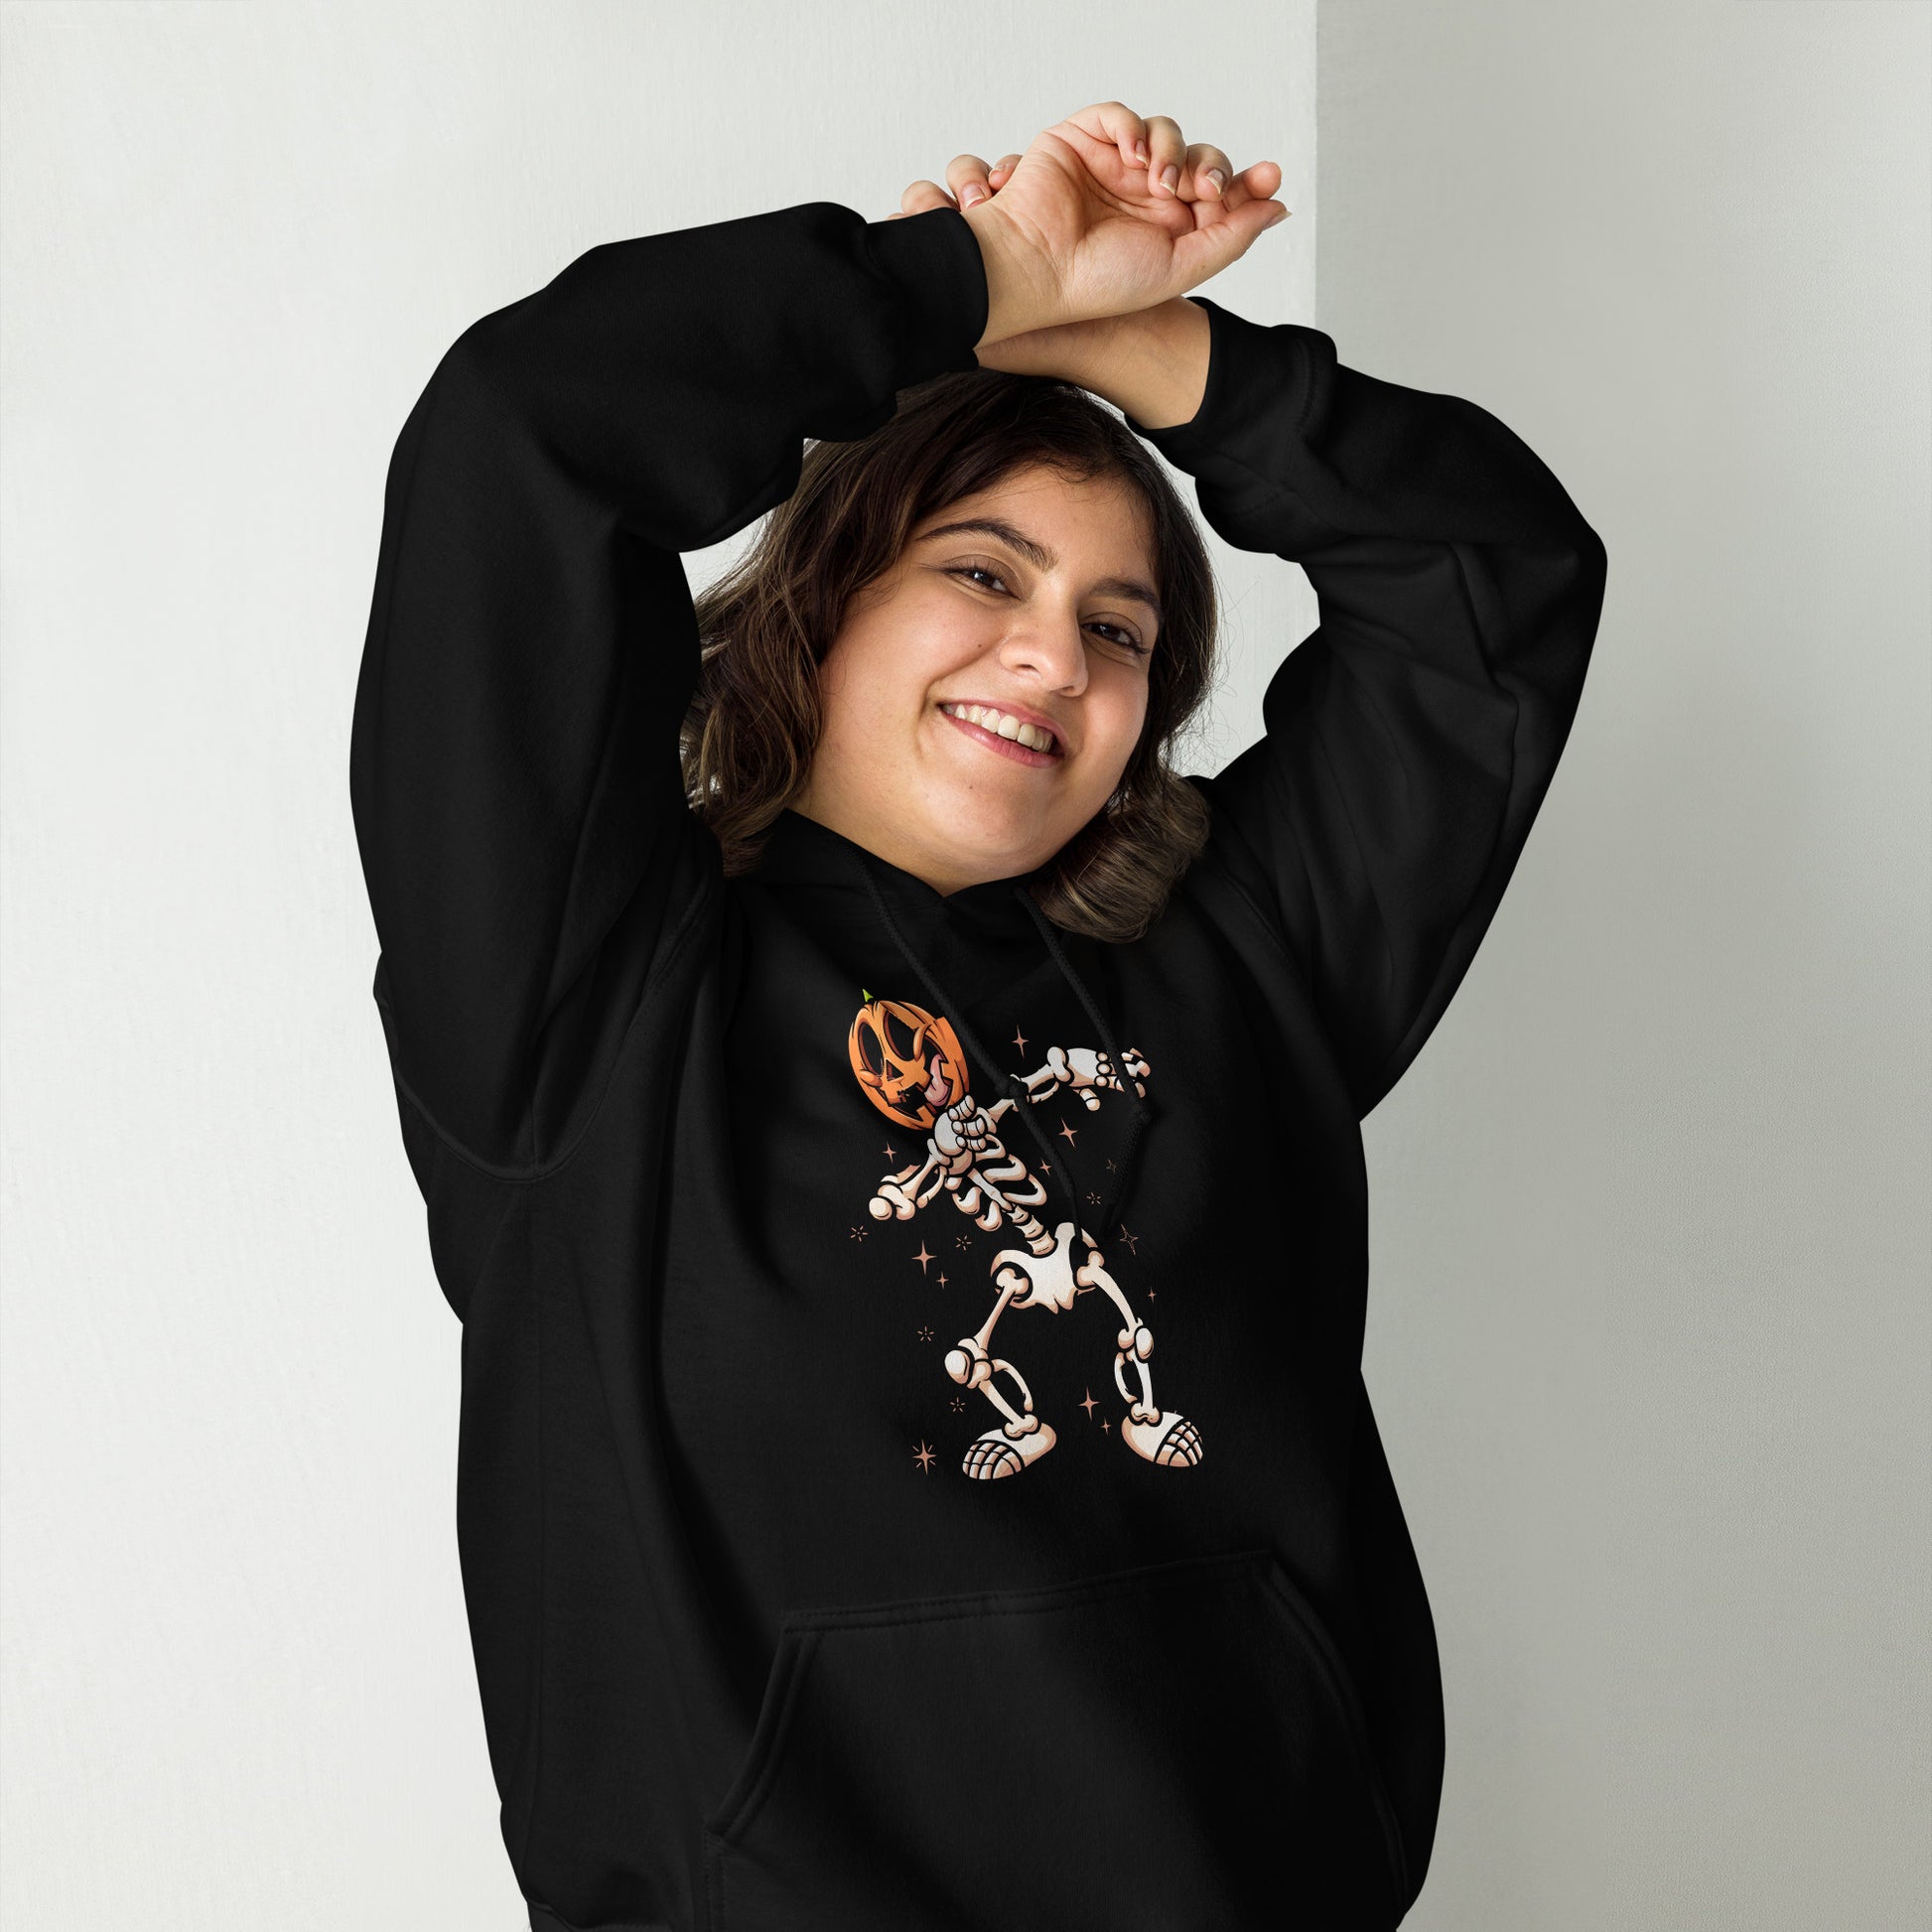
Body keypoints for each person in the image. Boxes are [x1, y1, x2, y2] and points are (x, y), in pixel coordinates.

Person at [350, 100, 1606, 1932]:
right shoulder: (584, 997)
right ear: (825, 604)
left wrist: (1157, 356)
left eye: (1121, 628)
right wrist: (974, 279)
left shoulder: (1243, 968)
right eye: (982, 571)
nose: (1053, 656)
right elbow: (527, 430)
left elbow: (1489, 581)